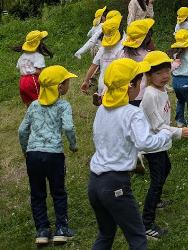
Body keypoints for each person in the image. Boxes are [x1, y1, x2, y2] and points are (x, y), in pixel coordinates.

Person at [87, 58, 172, 249]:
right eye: (140, 81)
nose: (142, 85)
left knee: (106, 234)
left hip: (94, 183)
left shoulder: (101, 109)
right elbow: (145, 142)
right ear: (130, 86)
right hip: (115, 184)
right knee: (137, 238)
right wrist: (166, 134)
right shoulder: (132, 113)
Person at [18, 66, 78, 245]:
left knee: (37, 193)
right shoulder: (64, 106)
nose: (68, 85)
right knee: (58, 192)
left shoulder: (34, 105)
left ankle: (42, 231)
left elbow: (22, 130)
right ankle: (61, 228)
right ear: (60, 87)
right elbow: (68, 127)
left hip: (33, 156)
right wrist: (73, 145)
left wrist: (24, 149)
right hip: (54, 156)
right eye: (67, 82)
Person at [139, 51, 188, 240]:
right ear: (148, 75)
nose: (164, 76)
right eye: (158, 73)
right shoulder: (150, 95)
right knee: (157, 180)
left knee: (165, 169)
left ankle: (156, 201)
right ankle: (146, 223)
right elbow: (156, 125)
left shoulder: (161, 89)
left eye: (166, 71)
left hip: (159, 141)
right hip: (152, 143)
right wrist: (179, 132)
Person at [81, 15, 124, 106]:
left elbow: (93, 66)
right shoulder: (121, 49)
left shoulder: (102, 49)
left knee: (103, 109)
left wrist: (86, 81)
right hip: (115, 87)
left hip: (102, 84)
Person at [121, 18, 155, 107]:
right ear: (147, 38)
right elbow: (160, 68)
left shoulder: (124, 53)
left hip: (126, 93)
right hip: (143, 94)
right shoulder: (148, 55)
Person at [16, 30, 53, 104]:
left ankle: (30, 114)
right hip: (32, 80)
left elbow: (20, 68)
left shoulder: (23, 56)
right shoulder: (38, 56)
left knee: (28, 102)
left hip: (22, 81)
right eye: (43, 40)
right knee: (39, 100)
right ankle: (41, 115)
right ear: (39, 43)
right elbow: (38, 71)